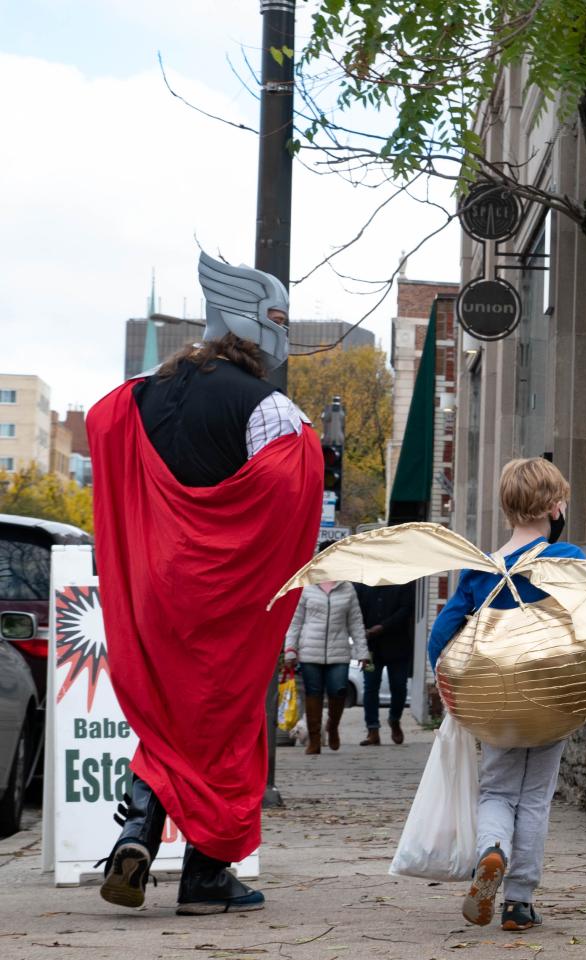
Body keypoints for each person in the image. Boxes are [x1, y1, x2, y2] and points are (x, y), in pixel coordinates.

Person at [88, 252, 322, 913]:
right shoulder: (270, 408)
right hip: (222, 596)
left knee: (167, 721)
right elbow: (286, 491)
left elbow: (103, 427)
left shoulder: (139, 392)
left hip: (154, 592)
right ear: (256, 324)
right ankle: (206, 875)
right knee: (223, 725)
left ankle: (137, 829)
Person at [427, 458, 586, 930]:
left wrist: (446, 679)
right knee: (535, 796)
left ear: (506, 507)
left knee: (496, 787)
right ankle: (519, 900)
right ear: (555, 505)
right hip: (554, 694)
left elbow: (442, 633)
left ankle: (491, 850)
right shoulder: (567, 559)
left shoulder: (482, 569)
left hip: (495, 698)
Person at [283, 572, 371, 754]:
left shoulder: (347, 589)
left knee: (338, 691)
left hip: (339, 651)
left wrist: (362, 652)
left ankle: (332, 726)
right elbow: (296, 621)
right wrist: (290, 649)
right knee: (313, 694)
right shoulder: (307, 587)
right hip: (309, 651)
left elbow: (356, 622)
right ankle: (314, 739)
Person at [353, 581, 416, 745]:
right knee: (370, 687)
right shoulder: (362, 585)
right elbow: (355, 613)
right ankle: (372, 729)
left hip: (398, 646)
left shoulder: (403, 582)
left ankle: (395, 719)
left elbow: (406, 610)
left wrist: (382, 627)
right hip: (371, 648)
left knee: (399, 686)